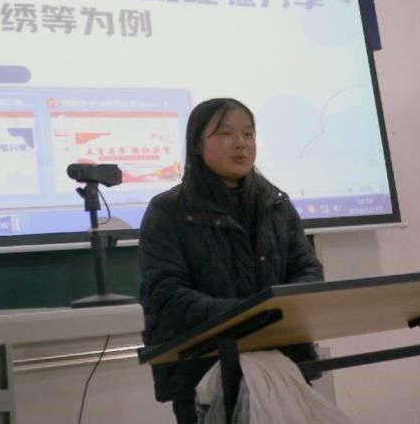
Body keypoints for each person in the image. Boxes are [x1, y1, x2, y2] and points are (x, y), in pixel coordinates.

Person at [138, 98, 324, 424]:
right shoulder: (168, 210)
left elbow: (307, 270)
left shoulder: (276, 203)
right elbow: (165, 295)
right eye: (225, 133)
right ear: (197, 145)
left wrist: (279, 311)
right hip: (202, 373)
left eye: (248, 134)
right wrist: (249, 316)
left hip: (282, 363)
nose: (240, 143)